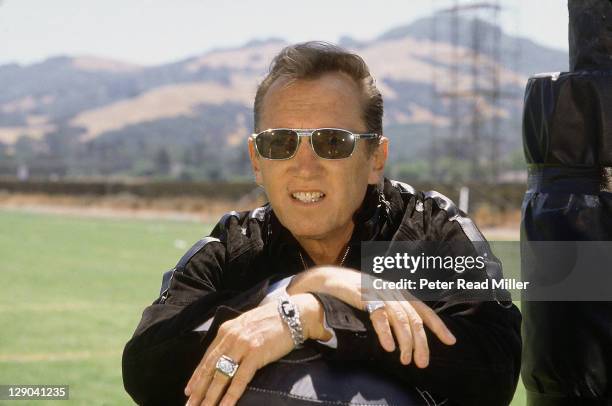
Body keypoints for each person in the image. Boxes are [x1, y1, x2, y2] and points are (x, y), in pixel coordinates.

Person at [122, 41, 521, 406]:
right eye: (280, 143)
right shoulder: (236, 246)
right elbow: (145, 366)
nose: (304, 166)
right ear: (257, 161)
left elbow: (493, 370)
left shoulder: (427, 230)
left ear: (375, 159)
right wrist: (298, 287)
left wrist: (316, 316)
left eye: (332, 142)